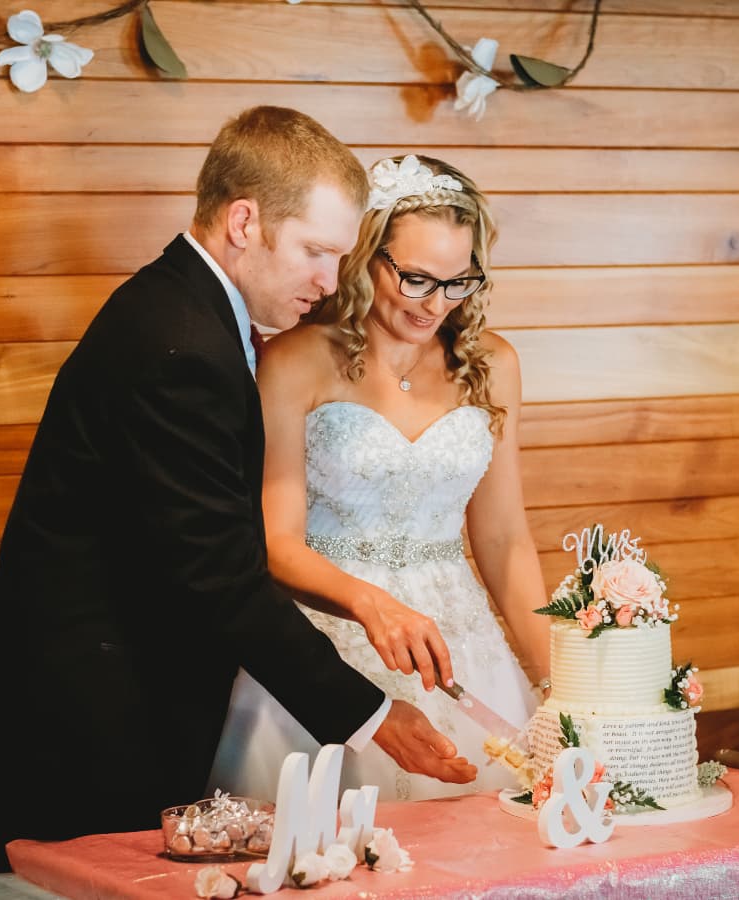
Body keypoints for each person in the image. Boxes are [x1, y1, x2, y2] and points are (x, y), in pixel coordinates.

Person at [0, 113, 476, 869]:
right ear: (244, 222)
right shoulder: (181, 345)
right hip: (79, 733)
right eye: (317, 252)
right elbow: (218, 575)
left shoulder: (183, 310)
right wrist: (373, 714)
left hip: (104, 713)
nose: (330, 281)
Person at [208, 154, 551, 802]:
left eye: (458, 281)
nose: (436, 304)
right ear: (367, 254)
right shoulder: (294, 362)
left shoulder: (493, 364)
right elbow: (276, 544)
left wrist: (556, 683)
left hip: (462, 646)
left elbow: (505, 539)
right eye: (416, 279)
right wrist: (372, 605)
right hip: (329, 640)